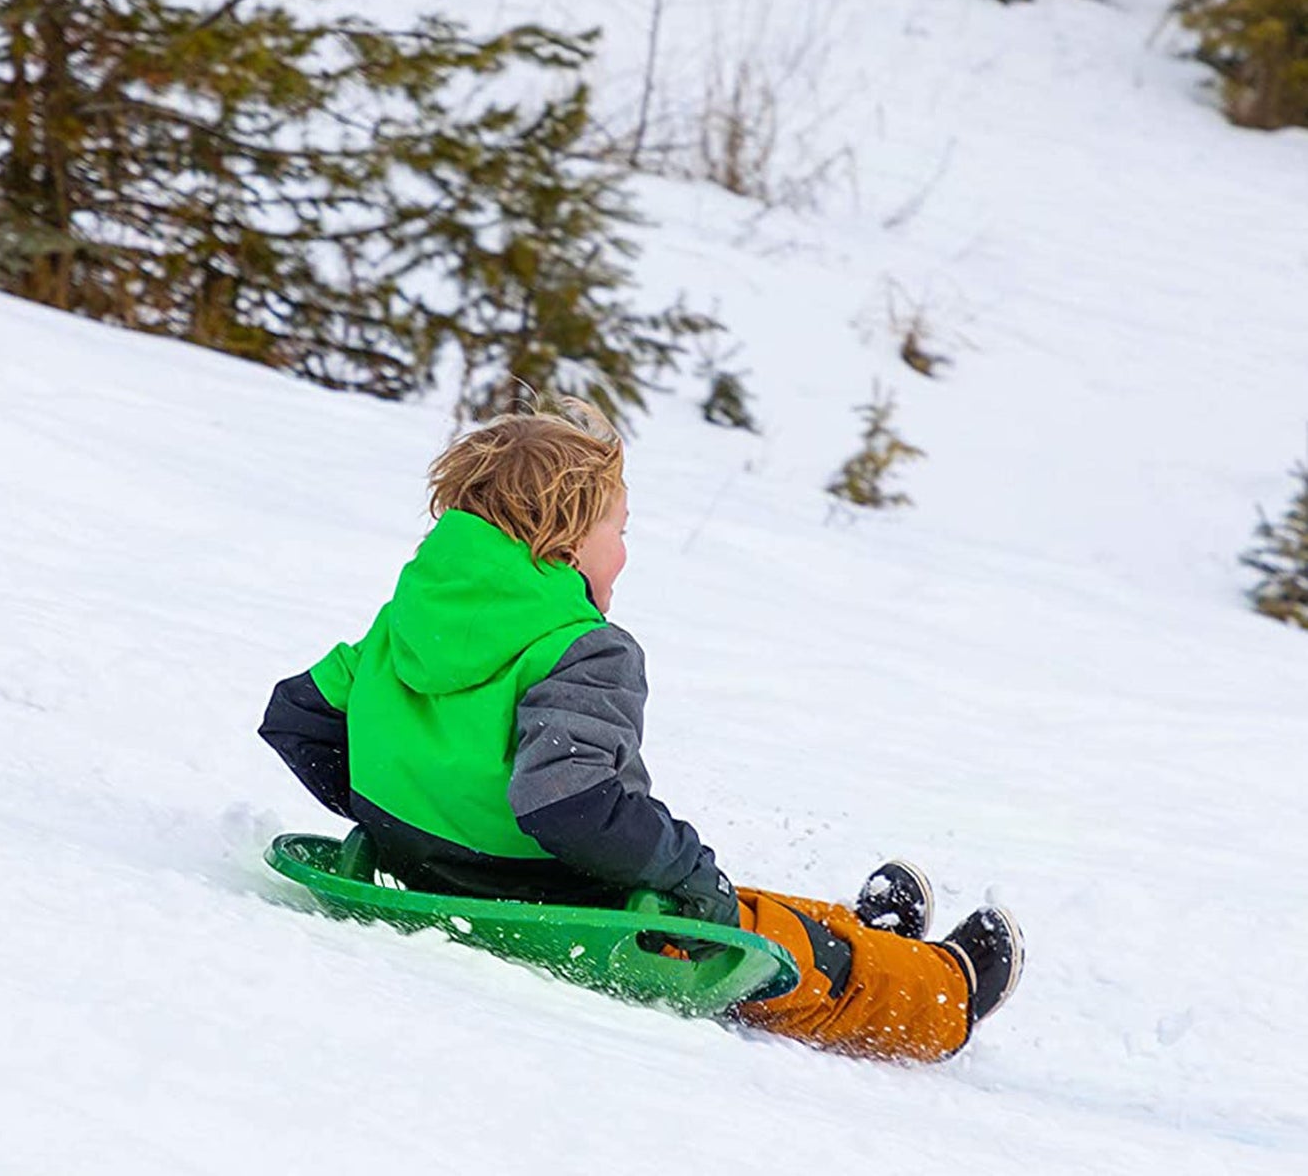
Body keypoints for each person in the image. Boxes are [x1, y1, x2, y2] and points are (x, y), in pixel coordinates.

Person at [260, 399, 1023, 1062]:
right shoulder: (577, 645)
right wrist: (688, 867)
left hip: (432, 872)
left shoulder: (407, 620)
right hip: (559, 895)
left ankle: (876, 937)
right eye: (618, 529)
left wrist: (402, 810)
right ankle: (940, 991)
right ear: (562, 543)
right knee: (758, 938)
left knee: (725, 896)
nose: (624, 550)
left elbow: (298, 717)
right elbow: (570, 803)